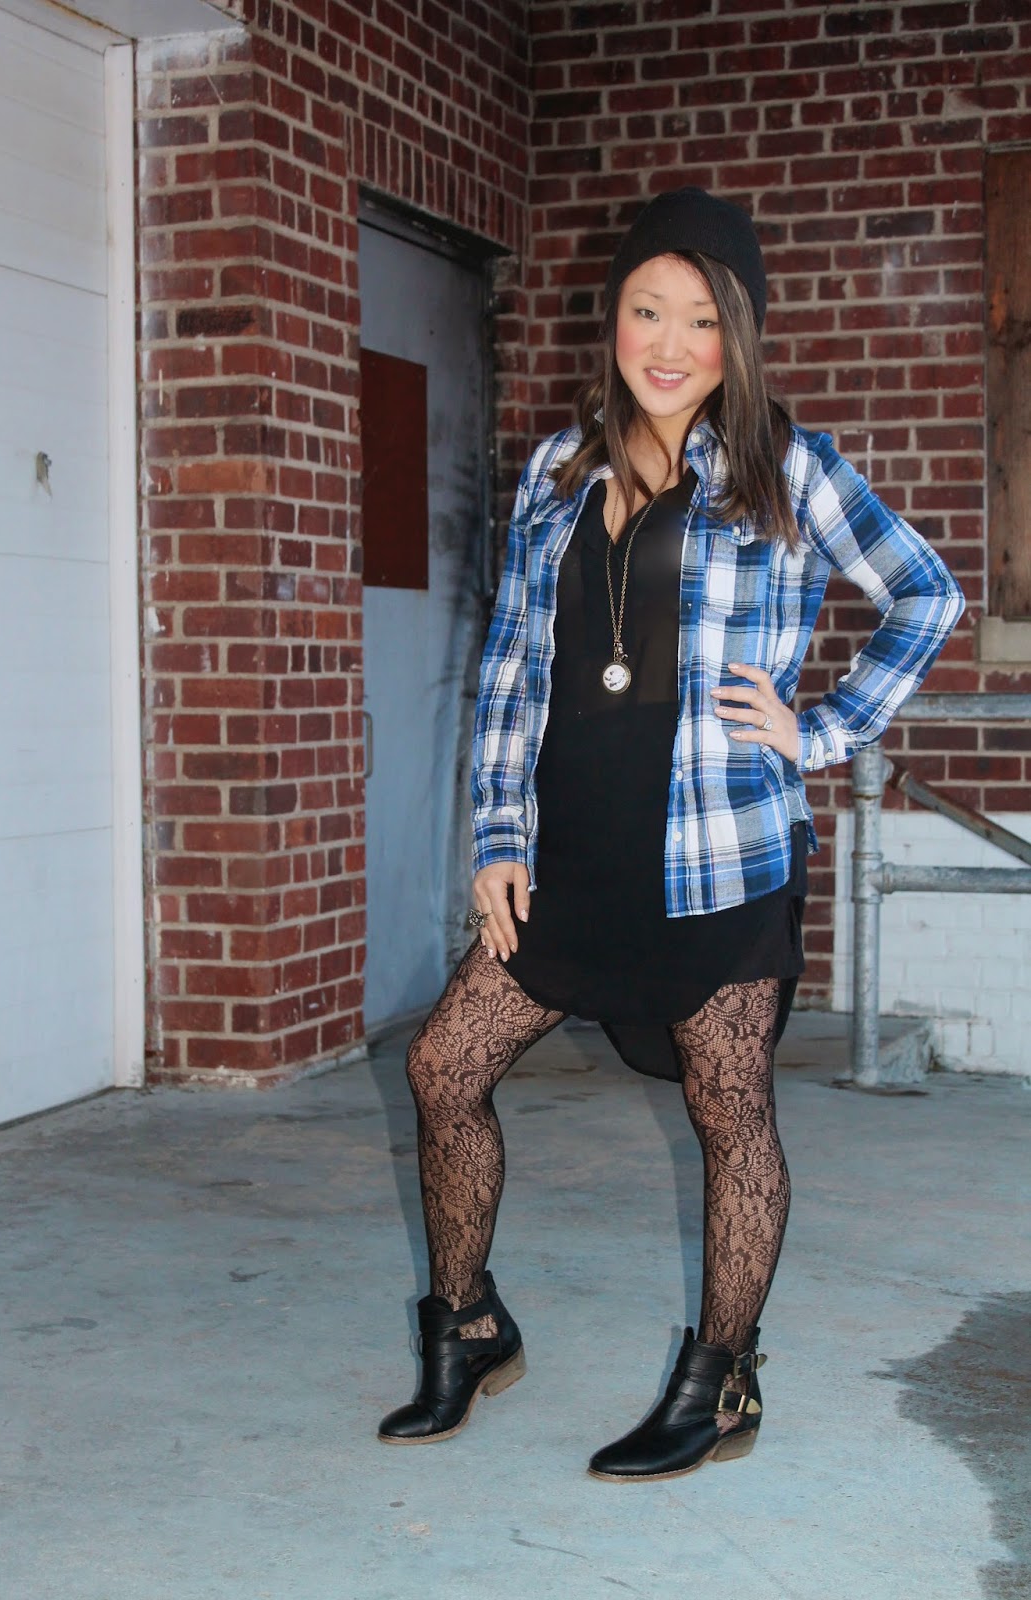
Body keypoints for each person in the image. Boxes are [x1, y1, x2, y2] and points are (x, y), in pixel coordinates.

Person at [377, 187, 964, 1481]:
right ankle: (466, 1325)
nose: (670, 342)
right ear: (615, 319)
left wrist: (821, 728)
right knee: (443, 1069)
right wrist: (497, 836)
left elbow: (925, 592)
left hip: (716, 852)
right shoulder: (556, 469)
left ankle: (722, 1383)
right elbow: (513, 669)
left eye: (702, 318)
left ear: (736, 335)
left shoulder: (786, 468)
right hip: (571, 849)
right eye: (648, 310)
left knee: (728, 1108)